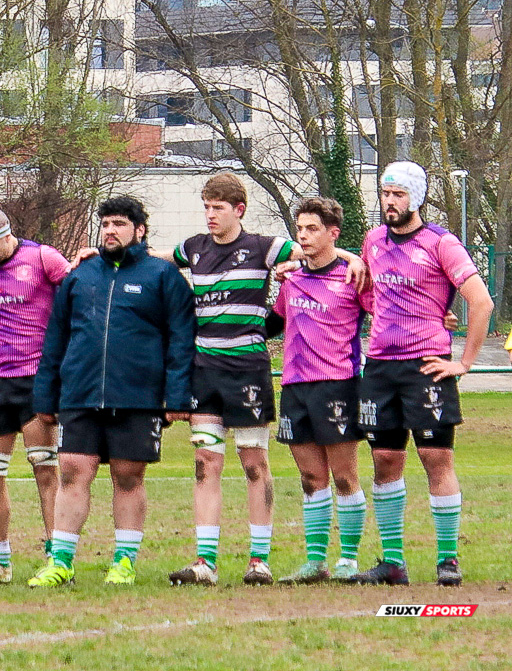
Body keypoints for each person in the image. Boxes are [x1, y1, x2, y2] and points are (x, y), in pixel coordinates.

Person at [28, 196, 194, 587]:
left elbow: (182, 339)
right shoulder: (80, 276)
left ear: (140, 230)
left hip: (137, 395)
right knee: (72, 471)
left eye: (118, 223)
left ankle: (124, 562)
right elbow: (56, 339)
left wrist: (176, 395)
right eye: (105, 224)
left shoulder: (163, 276)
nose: (110, 231)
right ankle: (61, 560)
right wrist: (45, 395)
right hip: (80, 393)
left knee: (128, 475)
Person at [352, 161, 490, 586]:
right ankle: (393, 563)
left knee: (435, 457)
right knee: (385, 459)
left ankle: (448, 560)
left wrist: (462, 362)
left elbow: (480, 301)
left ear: (417, 197)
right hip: (379, 366)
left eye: (398, 194)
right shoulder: (372, 240)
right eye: (385, 193)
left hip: (427, 366)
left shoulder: (441, 243)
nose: (389, 202)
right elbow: (369, 291)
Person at [168, 174, 298, 586]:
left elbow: (317, 253)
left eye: (218, 207)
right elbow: (155, 258)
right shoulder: (192, 248)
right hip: (203, 372)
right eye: (206, 206)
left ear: (239, 209)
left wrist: (355, 260)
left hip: (248, 372)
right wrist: (101, 255)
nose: (210, 214)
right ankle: (205, 563)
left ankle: (259, 559)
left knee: (253, 463)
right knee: (206, 463)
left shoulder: (264, 247)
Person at [0, 206, 66, 584]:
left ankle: (58, 557)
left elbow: (77, 297)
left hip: (37, 377)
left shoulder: (43, 258)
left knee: (44, 468)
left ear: (7, 234)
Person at [268, 198, 369, 584]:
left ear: (333, 233)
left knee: (344, 477)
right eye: (300, 228)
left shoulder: (352, 276)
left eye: (312, 229)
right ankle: (315, 562)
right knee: (311, 478)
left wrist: (439, 316)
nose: (304, 236)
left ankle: (348, 558)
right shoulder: (291, 279)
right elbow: (273, 323)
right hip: (294, 387)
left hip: (338, 385)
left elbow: (390, 308)